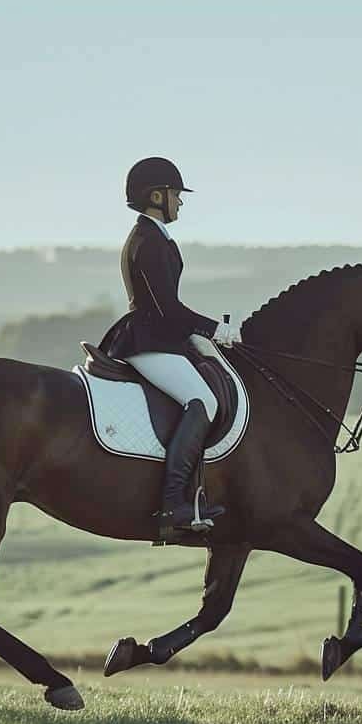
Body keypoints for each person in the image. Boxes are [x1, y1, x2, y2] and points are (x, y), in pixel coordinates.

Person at [102, 156, 242, 534]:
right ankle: (172, 505)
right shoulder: (147, 241)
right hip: (148, 338)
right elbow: (166, 308)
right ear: (155, 196)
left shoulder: (156, 237)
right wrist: (213, 329)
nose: (180, 202)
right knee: (203, 401)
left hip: (159, 335)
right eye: (176, 194)